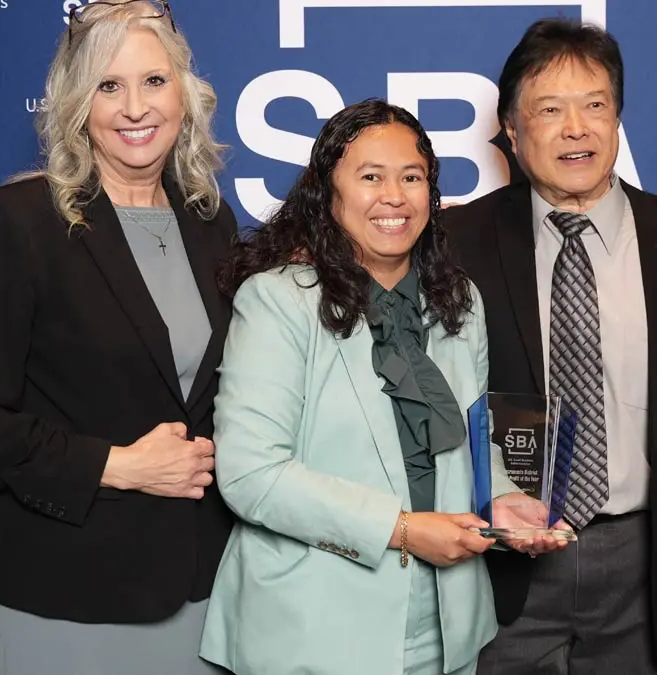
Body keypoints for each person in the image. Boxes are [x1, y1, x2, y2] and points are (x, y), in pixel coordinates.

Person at [0, 2, 237, 673]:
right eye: (108, 85)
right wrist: (117, 465)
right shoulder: (19, 221)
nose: (135, 108)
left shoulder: (210, 222)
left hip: (199, 591)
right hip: (59, 590)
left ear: (184, 93)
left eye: (154, 81)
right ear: (77, 103)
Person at [199, 99, 561, 675]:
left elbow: (472, 439)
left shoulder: (459, 301)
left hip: (447, 626)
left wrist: (501, 501)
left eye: (411, 177)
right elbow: (252, 474)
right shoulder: (278, 300)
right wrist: (403, 530)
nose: (394, 196)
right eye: (371, 177)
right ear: (328, 192)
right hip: (313, 629)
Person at [445, 18, 657, 675]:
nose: (576, 128)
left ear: (617, 119)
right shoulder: (454, 243)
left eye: (595, 105)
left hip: (648, 565)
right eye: (550, 109)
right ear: (512, 131)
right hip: (501, 565)